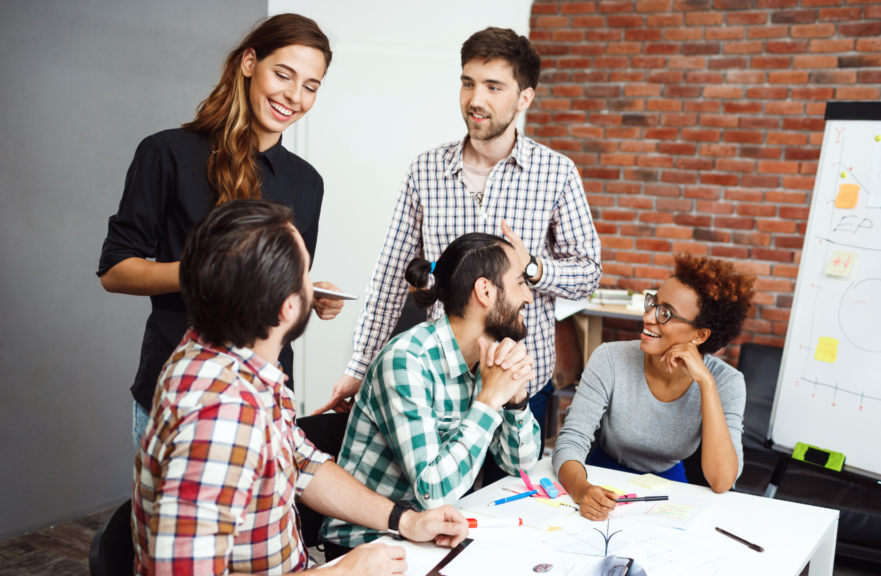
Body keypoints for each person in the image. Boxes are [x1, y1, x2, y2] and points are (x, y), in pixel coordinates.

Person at [133, 200, 468, 575]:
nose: (314, 285)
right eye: (305, 274)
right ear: (288, 308)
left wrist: (404, 520)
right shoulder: (223, 414)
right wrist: (340, 572)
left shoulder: (232, 360)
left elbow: (302, 463)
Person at [314, 27, 601, 452]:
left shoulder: (557, 173)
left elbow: (588, 274)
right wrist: (360, 366)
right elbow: (391, 277)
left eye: (493, 87)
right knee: (441, 497)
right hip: (439, 379)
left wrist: (535, 269)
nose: (475, 100)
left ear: (524, 98)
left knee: (509, 499)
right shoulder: (425, 170)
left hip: (519, 380)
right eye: (468, 83)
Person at [97, 14, 344, 449]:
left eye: (311, 86)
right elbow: (115, 271)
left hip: (267, 393)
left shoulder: (309, 183)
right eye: (283, 74)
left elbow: (274, 283)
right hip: (178, 389)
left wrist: (306, 291)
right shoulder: (166, 153)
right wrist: (215, 270)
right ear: (249, 62)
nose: (294, 96)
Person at [320, 233, 542, 557]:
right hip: (367, 543)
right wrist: (490, 400)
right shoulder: (407, 362)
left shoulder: (487, 360)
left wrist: (515, 398)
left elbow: (519, 464)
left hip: (431, 536)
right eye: (521, 283)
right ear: (485, 291)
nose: (529, 297)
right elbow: (434, 494)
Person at [553, 254, 755, 521]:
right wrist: (582, 490)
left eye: (665, 313)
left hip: (669, 494)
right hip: (602, 481)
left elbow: (721, 481)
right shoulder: (610, 359)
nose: (648, 317)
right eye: (653, 304)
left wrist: (706, 384)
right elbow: (570, 442)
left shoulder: (727, 382)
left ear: (700, 335)